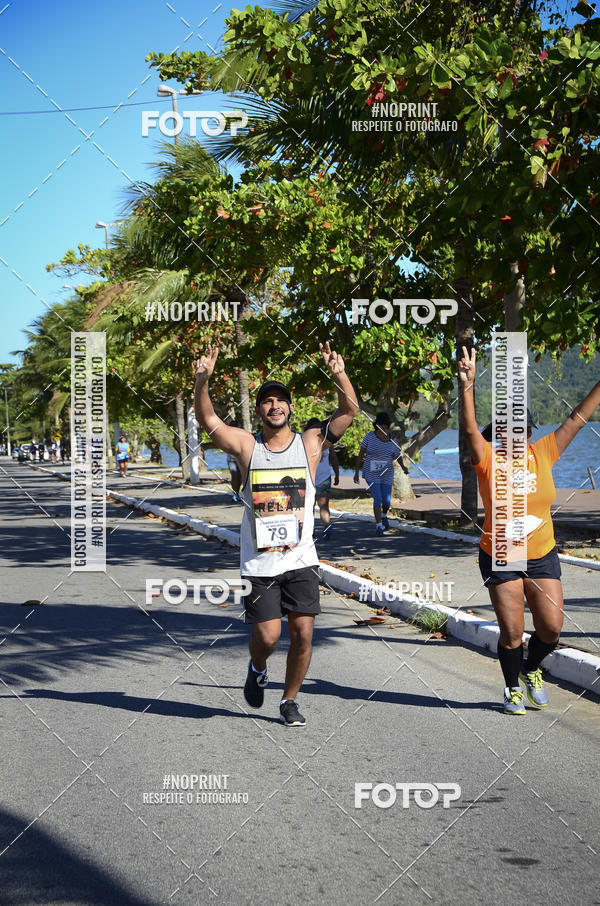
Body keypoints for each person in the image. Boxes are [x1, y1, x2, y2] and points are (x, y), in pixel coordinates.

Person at [194, 342, 358, 727]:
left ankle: (289, 700)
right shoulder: (248, 447)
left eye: (280, 400)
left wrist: (338, 373)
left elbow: (350, 409)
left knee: (303, 633)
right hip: (260, 564)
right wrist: (202, 384)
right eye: (267, 401)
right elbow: (209, 421)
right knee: (267, 638)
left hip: (301, 560)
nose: (274, 406)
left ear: (291, 407)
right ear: (261, 410)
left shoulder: (311, 442)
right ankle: (257, 667)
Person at [458, 345, 600, 715]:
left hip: (541, 553)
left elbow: (577, 419)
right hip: (501, 554)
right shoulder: (487, 459)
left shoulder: (544, 452)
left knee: (551, 629)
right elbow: (470, 427)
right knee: (511, 631)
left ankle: (531, 669)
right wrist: (468, 385)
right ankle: (511, 689)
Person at [353, 412, 405, 535]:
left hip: (387, 473)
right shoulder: (369, 437)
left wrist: (403, 467)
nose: (383, 427)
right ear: (376, 425)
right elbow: (361, 454)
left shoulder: (393, 439)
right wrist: (356, 471)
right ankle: (379, 525)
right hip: (371, 472)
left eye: (386, 425)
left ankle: (384, 515)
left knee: (386, 501)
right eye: (381, 424)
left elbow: (398, 455)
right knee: (378, 498)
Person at [304, 418, 340, 537]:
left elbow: (334, 459)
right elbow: (333, 459)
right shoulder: (326, 442)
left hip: (310, 478)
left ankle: (311, 530)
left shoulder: (303, 441)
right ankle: (326, 528)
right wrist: (337, 474)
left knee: (310, 506)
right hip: (320, 478)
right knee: (323, 506)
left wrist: (337, 473)